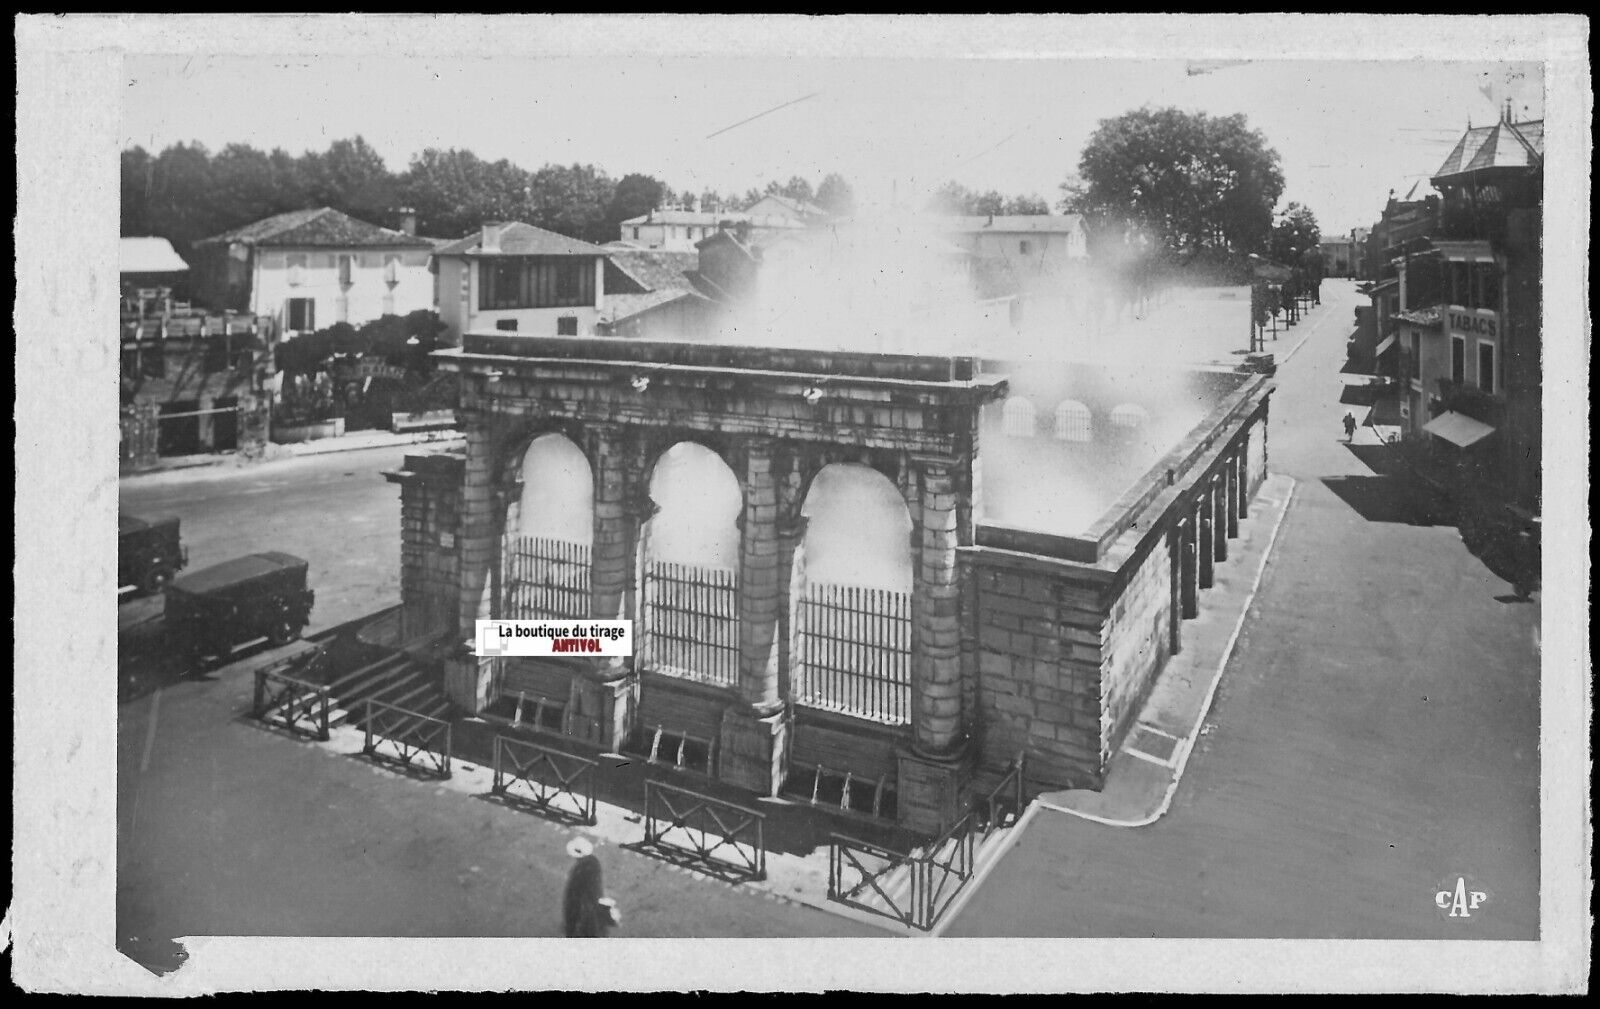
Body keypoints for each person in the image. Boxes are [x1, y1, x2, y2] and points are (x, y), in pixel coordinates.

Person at [562, 837, 620, 937]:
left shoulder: (581, 867)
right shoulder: (593, 863)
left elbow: (580, 890)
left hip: (583, 905)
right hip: (588, 903)